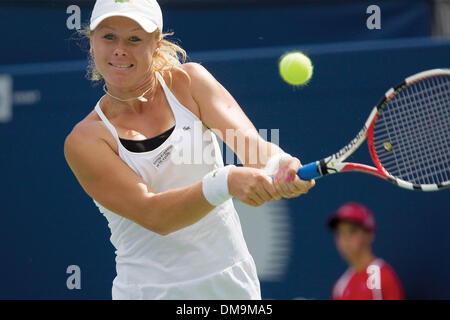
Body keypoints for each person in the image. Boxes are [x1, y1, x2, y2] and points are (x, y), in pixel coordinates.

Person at [63, 0, 314, 300]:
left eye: (134, 38)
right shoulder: (85, 140)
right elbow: (155, 214)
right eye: (108, 37)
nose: (120, 49)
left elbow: (254, 148)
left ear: (156, 43)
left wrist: (280, 164)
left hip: (232, 286)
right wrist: (227, 181)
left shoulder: (189, 82)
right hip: (150, 293)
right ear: (91, 41)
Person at [327, 202, 404, 300]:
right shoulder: (340, 286)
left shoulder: (383, 277)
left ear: (369, 234)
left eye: (352, 231)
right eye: (340, 233)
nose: (345, 239)